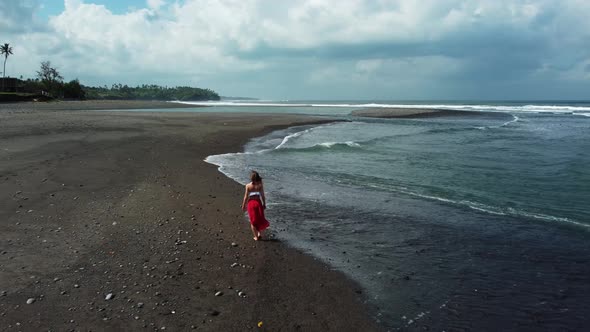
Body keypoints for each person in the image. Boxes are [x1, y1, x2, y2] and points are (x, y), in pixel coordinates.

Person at [241, 170, 270, 241]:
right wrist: (264, 203)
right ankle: (260, 234)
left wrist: (243, 205)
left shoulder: (248, 186)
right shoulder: (260, 185)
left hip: (251, 203)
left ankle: (256, 237)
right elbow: (262, 195)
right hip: (258, 203)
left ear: (251, 178)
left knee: (253, 221)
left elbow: (246, 197)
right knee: (260, 218)